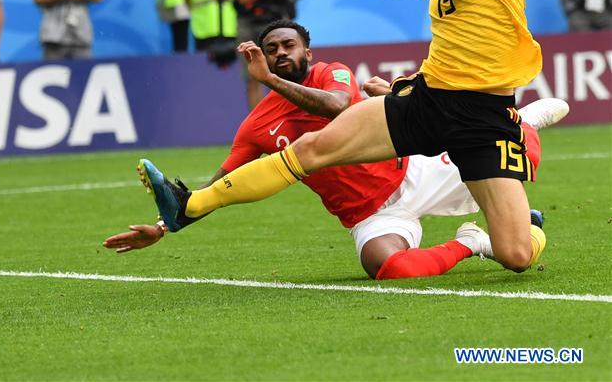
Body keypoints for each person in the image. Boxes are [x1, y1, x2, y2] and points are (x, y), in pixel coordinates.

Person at [142, 0, 548, 275]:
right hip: (429, 103)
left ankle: (524, 131)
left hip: (480, 118)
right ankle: (187, 205)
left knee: (516, 254)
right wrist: (403, 86)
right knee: (309, 150)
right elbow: (455, 51)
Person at [108, 21, 567, 280]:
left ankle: (525, 118)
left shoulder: (332, 74)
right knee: (389, 269)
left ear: (308, 50)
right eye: (272, 50)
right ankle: (474, 241)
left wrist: (269, 81)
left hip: (415, 171)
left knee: (518, 161)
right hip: (369, 214)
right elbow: (223, 183)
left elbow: (337, 106)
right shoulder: (255, 125)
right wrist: (166, 225)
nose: (281, 53)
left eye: (289, 45)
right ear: (263, 56)